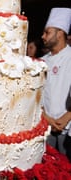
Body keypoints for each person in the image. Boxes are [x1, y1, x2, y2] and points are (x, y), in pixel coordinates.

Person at [41, 7, 71, 155]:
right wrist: (46, 117)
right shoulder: (40, 62)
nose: (43, 36)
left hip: (68, 128)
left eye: (47, 32)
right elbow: (36, 96)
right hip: (47, 128)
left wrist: (67, 117)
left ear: (60, 33)